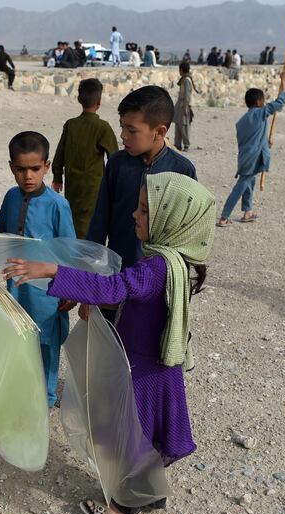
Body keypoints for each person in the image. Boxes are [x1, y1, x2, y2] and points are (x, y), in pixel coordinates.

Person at [3, 172, 215, 514]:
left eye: (145, 210)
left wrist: (54, 270)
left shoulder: (157, 267)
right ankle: (150, 494)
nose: (135, 214)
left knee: (132, 435)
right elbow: (129, 295)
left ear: (172, 220)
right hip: (154, 366)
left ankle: (125, 503)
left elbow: (116, 289)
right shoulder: (172, 260)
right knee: (143, 434)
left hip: (142, 370)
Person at [86, 85, 197, 324]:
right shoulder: (116, 165)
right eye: (122, 127)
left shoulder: (182, 170)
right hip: (117, 278)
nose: (123, 136)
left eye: (132, 130)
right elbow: (99, 223)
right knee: (113, 347)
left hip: (159, 283)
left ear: (160, 131)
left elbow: (188, 234)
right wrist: (90, 285)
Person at [0, 131, 76, 407]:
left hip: (47, 292)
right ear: (11, 168)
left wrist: (71, 287)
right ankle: (25, 388)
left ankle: (47, 396)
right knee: (19, 337)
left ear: (47, 166)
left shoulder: (58, 205)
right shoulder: (10, 197)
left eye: (35, 169)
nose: (28, 176)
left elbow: (69, 248)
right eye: (21, 169)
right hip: (16, 286)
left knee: (46, 342)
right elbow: (6, 229)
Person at [217, 71, 285, 227]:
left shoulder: (243, 120)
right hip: (251, 158)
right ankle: (224, 216)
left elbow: (252, 138)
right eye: (263, 100)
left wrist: (265, 141)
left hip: (246, 157)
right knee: (242, 185)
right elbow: (280, 103)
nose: (264, 103)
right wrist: (284, 82)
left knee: (250, 182)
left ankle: (247, 212)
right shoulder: (260, 113)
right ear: (258, 102)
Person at [51, 79, 119, 239]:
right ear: (99, 101)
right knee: (92, 222)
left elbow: (59, 152)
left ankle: (74, 252)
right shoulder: (103, 127)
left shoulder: (71, 125)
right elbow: (115, 157)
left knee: (73, 218)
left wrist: (57, 176)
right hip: (95, 186)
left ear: (79, 99)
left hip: (73, 184)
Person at [173, 62, 197, 152]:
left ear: (181, 70)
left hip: (184, 106)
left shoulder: (186, 80)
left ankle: (186, 144)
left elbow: (187, 95)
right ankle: (177, 144)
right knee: (178, 124)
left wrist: (186, 107)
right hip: (180, 105)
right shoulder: (184, 79)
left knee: (184, 126)